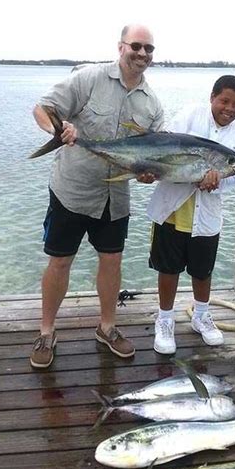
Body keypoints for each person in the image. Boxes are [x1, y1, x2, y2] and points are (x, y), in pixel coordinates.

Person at [30, 24, 164, 368]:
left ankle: (107, 327)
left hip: (115, 196)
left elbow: (154, 157)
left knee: (112, 261)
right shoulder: (89, 79)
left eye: (149, 49)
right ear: (121, 47)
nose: (142, 54)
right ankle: (46, 332)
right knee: (60, 261)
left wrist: (149, 174)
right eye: (136, 46)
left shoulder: (152, 104)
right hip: (71, 190)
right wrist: (57, 131)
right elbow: (42, 108)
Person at [147, 75, 235, 355]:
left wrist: (215, 182)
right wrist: (148, 171)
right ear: (212, 97)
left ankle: (201, 316)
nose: (229, 108)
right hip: (172, 209)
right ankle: (165, 319)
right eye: (224, 101)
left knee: (202, 270)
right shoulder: (191, 115)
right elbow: (163, 151)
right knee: (168, 269)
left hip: (207, 216)